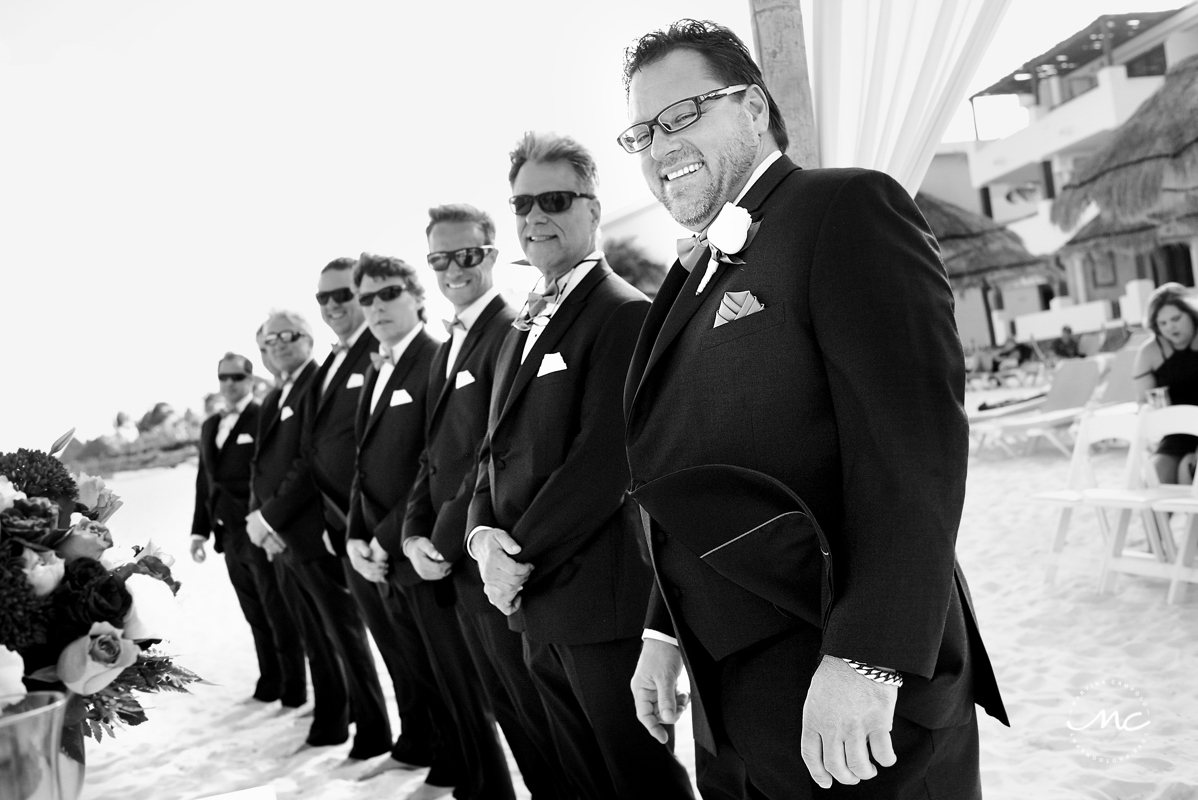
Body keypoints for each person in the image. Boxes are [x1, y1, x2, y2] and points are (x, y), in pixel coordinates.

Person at [620, 20, 1008, 799]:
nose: (661, 147)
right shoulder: (683, 280)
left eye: (683, 114)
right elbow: (686, 478)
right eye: (642, 131)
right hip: (731, 704)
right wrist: (663, 628)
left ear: (756, 110)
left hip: (850, 692)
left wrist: (870, 658)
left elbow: (916, 448)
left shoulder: (847, 210)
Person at [466, 132, 694, 799]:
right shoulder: (522, 324)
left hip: (604, 604)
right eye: (522, 204)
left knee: (642, 779)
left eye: (555, 199)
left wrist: (513, 556)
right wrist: (481, 542)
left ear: (593, 209)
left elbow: (605, 463)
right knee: (582, 780)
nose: (535, 217)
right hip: (533, 604)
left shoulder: (624, 314)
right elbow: (492, 450)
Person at [402, 204, 573, 799]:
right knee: (511, 717)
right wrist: (410, 534)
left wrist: (444, 541)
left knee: (542, 722)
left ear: (492, 255)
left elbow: (489, 451)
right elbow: (432, 453)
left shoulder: (510, 329)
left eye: (467, 254)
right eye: (440, 259)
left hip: (492, 561)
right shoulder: (448, 343)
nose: (454, 269)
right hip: (454, 568)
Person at [246, 257, 424, 770]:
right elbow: (314, 450)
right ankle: (400, 740)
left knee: (399, 649)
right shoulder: (334, 364)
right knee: (378, 646)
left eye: (344, 295)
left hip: (377, 528)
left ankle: (412, 741)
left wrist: (278, 517)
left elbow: (365, 453)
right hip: (338, 530)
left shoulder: (383, 352)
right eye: (323, 299)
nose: (334, 306)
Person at [344, 253, 470, 800]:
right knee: (417, 672)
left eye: (387, 292)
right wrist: (354, 534)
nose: (375, 306)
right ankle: (439, 762)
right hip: (380, 554)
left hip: (420, 547)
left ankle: (464, 772)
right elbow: (362, 463)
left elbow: (434, 459)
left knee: (454, 679)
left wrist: (386, 534)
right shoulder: (379, 365)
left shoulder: (435, 356)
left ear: (417, 295)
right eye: (365, 298)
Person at [191, 352, 305, 707]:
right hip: (226, 535)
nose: (229, 384)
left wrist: (270, 522)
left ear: (250, 379)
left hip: (257, 528)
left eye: (236, 377)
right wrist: (199, 531)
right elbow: (204, 481)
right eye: (223, 377)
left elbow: (271, 472)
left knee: (278, 610)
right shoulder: (210, 425)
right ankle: (269, 680)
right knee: (253, 612)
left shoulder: (262, 417)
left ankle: (293, 688)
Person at [1134, 282, 1198, 483]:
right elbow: (1143, 402)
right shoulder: (1149, 352)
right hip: (1176, 432)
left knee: (1189, 472)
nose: (1170, 327)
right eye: (1162, 323)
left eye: (1176, 318)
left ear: (1192, 314)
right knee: (1154, 479)